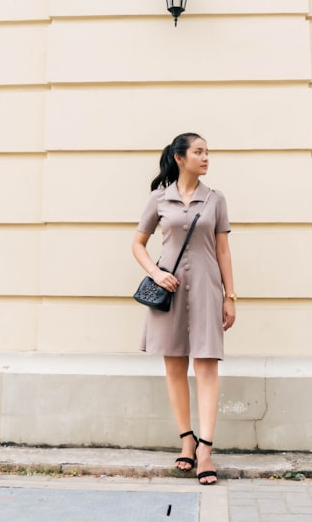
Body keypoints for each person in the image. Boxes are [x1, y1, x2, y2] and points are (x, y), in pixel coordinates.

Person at [131, 132, 236, 486]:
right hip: (170, 293)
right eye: (199, 152)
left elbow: (223, 250)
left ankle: (205, 448)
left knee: (206, 366)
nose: (206, 158)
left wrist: (230, 296)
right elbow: (138, 243)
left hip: (207, 292)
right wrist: (155, 273)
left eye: (207, 152)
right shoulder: (159, 199)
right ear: (180, 158)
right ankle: (186, 441)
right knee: (174, 366)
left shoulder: (215, 200)